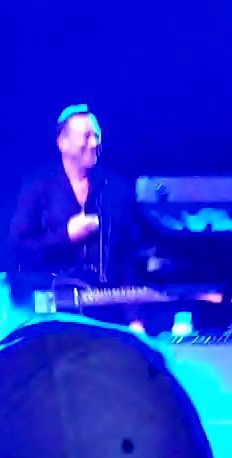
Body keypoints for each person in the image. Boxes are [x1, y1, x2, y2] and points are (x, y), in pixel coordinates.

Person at [8, 105, 142, 318]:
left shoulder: (115, 188)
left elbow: (127, 258)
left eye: (97, 136)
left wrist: (135, 318)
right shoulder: (37, 187)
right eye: (87, 136)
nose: (94, 143)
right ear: (62, 142)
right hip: (52, 314)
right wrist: (66, 236)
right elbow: (19, 249)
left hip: (106, 313)